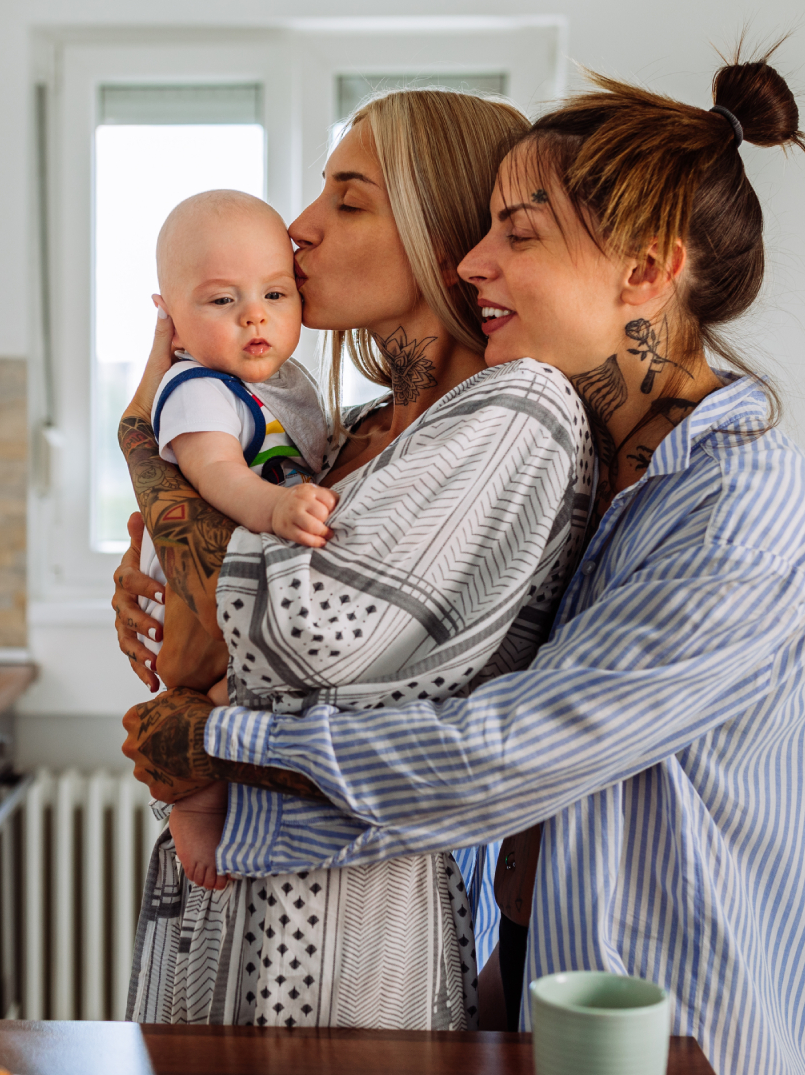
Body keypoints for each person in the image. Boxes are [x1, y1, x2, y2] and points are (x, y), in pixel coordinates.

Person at [116, 44, 805, 1075]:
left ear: (644, 270)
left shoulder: (744, 504)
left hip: (695, 1034)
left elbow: (508, 753)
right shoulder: (599, 476)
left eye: (517, 235)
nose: (471, 262)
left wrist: (224, 739)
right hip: (546, 1013)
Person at [115, 89, 597, 1030]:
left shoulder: (511, 414)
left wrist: (146, 448)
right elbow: (219, 630)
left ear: (437, 225)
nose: (298, 229)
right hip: (216, 906)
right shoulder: (346, 431)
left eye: (348, 199)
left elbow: (300, 636)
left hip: (344, 935)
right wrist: (168, 576)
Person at [135, 189, 336, 891]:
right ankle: (191, 803)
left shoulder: (285, 384)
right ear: (175, 326)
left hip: (240, 588)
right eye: (222, 301)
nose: (255, 314)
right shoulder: (197, 387)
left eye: (275, 293)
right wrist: (278, 509)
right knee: (198, 693)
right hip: (191, 604)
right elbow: (214, 470)